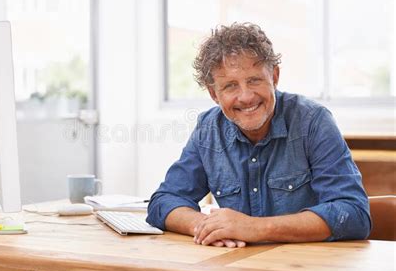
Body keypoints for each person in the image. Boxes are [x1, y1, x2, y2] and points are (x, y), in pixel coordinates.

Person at [146, 22, 371, 248]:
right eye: (230, 86)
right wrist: (208, 227)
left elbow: (353, 214)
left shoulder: (313, 122)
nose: (245, 97)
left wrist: (254, 227)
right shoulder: (208, 129)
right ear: (214, 94)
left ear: (274, 76)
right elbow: (164, 201)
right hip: (237, 267)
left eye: (254, 80)